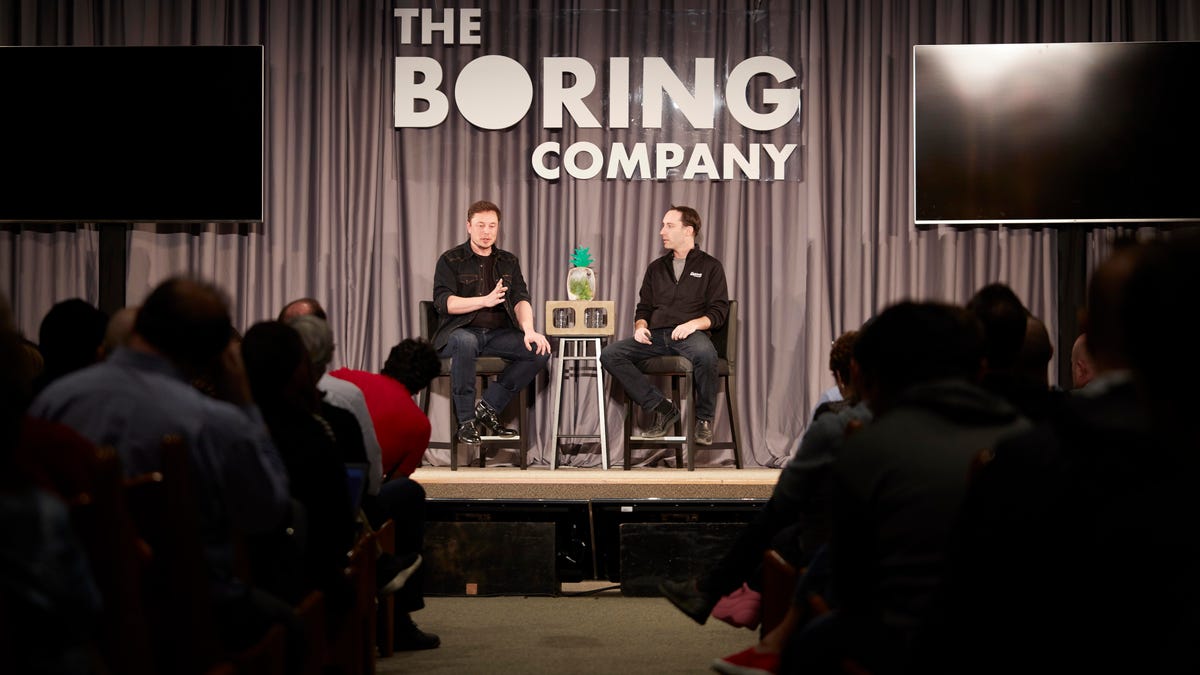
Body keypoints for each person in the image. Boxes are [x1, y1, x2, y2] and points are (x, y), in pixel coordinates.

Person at [29, 277, 296, 661]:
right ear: (214, 353)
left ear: (139, 325)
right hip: (185, 618)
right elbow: (268, 511)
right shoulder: (213, 421)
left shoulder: (54, 402)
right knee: (294, 629)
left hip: (69, 617)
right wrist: (245, 402)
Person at [600, 205, 730, 446]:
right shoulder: (656, 267)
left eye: (669, 226)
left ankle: (703, 421)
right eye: (662, 225)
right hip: (657, 337)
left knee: (705, 353)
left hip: (690, 336)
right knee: (610, 354)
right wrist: (640, 326)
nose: (662, 231)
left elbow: (719, 311)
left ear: (688, 230)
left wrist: (693, 324)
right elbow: (644, 308)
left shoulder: (710, 267)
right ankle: (662, 408)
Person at [431, 200, 551, 445]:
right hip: (461, 330)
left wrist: (529, 330)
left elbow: (520, 299)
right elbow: (445, 303)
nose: (486, 232)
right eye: (480, 225)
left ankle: (488, 407)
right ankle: (465, 422)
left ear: (498, 228)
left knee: (539, 351)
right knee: (465, 342)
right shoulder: (451, 260)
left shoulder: (508, 261)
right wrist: (483, 301)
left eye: (492, 226)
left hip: (498, 334)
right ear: (469, 226)